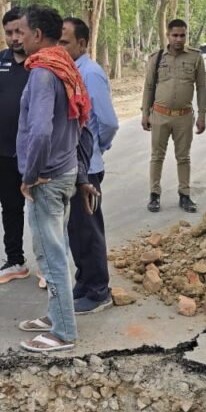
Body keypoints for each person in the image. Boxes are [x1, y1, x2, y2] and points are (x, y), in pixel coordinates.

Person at [14, 4, 89, 352]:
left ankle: (63, 333)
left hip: (47, 177)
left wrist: (32, 175)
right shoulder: (65, 67)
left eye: (23, 32)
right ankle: (56, 314)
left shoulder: (43, 73)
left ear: (38, 36)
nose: (19, 37)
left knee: (50, 255)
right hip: (64, 172)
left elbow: (41, 132)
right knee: (56, 248)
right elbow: (76, 125)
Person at [59, 17, 119, 314]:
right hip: (78, 164)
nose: (59, 47)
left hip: (89, 167)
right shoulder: (70, 71)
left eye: (65, 42)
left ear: (82, 43)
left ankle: (98, 291)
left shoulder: (90, 73)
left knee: (89, 229)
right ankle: (84, 284)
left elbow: (108, 122)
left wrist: (97, 148)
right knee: (78, 229)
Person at [0, 8, 36, 285]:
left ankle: (50, 269)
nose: (15, 38)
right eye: (10, 32)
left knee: (42, 209)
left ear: (29, 32)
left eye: (19, 32)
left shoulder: (41, 64)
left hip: (36, 154)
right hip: (2, 151)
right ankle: (15, 261)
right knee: (10, 207)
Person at [141, 19, 206, 213]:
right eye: (175, 35)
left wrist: (202, 114)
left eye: (182, 35)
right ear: (168, 36)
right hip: (160, 115)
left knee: (183, 157)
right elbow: (149, 87)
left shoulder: (195, 57)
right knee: (157, 157)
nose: (179, 39)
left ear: (186, 35)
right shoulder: (157, 58)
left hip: (184, 117)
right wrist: (145, 113)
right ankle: (154, 195)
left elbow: (201, 87)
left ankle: (185, 195)